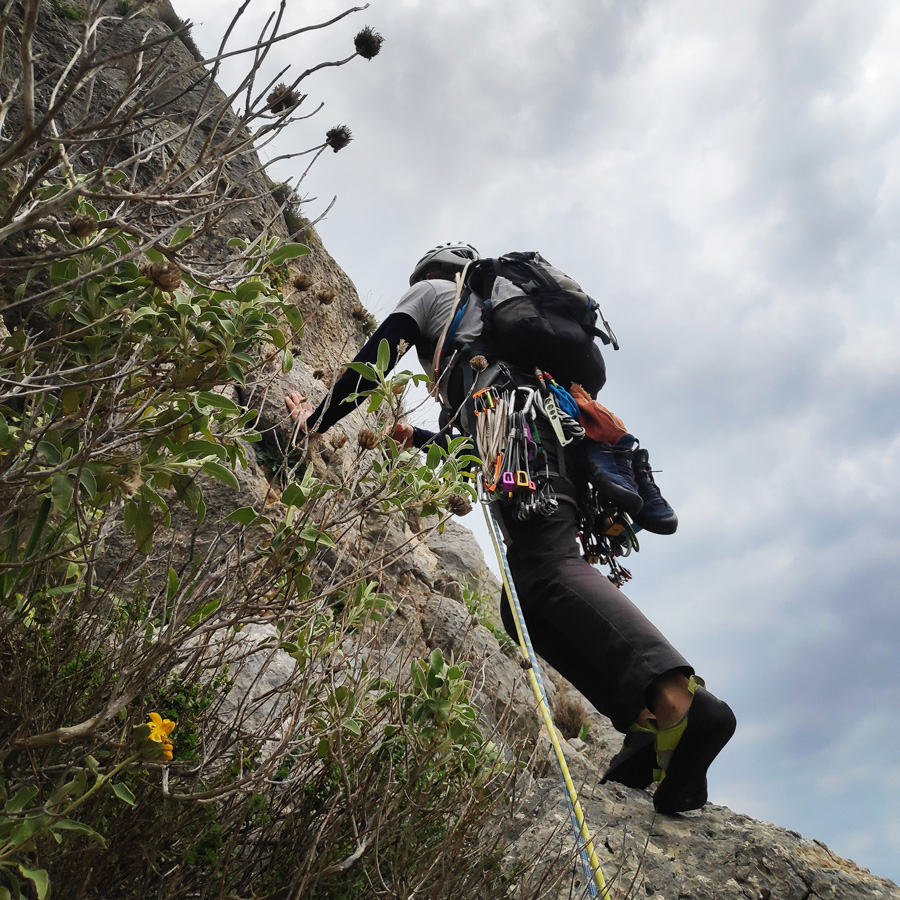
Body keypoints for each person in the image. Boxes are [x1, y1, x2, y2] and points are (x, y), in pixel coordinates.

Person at [286, 243, 735, 813]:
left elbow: (374, 362)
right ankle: (648, 729)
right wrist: (420, 440)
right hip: (552, 442)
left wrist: (317, 418)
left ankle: (682, 702)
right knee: (521, 608)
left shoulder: (434, 295)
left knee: (547, 569)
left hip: (520, 434)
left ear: (432, 274)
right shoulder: (492, 331)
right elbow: (470, 436)